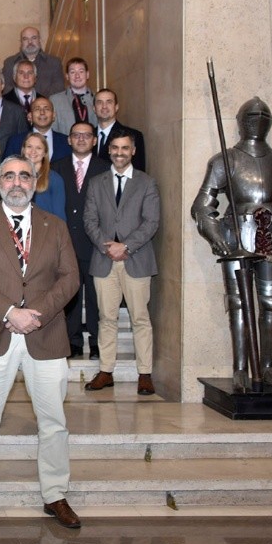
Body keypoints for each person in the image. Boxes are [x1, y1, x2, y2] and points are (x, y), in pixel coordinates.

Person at [0, 155, 82, 530]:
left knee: (54, 422)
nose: (16, 182)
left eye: (24, 176)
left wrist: (35, 313)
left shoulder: (55, 226)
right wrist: (11, 311)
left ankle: (55, 494)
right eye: (8, 176)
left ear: (34, 182)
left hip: (45, 333)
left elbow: (70, 278)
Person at [190, 97, 272, 390]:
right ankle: (240, 367)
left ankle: (267, 366)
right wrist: (217, 237)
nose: (257, 120)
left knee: (271, 301)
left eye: (262, 116)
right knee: (239, 303)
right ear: (241, 122)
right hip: (236, 237)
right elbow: (202, 206)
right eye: (252, 116)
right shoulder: (224, 160)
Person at [84, 130, 160, 396]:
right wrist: (109, 247)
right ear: (109, 150)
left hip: (136, 259)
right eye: (114, 147)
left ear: (133, 151)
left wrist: (125, 246)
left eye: (124, 148)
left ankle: (145, 374)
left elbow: (151, 222)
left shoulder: (147, 183)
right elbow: (89, 221)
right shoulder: (96, 183)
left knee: (140, 318)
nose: (119, 152)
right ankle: (106, 371)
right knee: (107, 318)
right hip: (104, 261)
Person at [54, 122, 111, 358]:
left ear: (94, 140)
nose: (80, 139)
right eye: (76, 135)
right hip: (66, 242)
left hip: (96, 243)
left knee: (96, 296)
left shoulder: (105, 169)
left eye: (86, 135)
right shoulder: (56, 168)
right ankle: (73, 340)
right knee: (71, 294)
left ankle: (97, 342)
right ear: (68, 140)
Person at [0, 26, 64, 98]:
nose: (30, 42)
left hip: (46, 106)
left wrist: (39, 103)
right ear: (21, 42)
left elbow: (58, 90)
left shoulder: (54, 63)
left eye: (34, 38)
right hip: (17, 107)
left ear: (39, 40)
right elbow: (6, 88)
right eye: (25, 39)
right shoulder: (10, 63)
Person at [93, 88, 147, 171]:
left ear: (116, 107)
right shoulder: (87, 137)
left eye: (109, 102)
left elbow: (138, 173)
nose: (104, 106)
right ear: (94, 108)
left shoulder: (134, 136)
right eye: (99, 102)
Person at [6, 97, 73, 163]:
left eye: (46, 109)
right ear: (30, 116)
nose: (42, 112)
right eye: (37, 109)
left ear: (53, 116)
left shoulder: (67, 142)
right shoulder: (15, 142)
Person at [21, 132, 66, 221]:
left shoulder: (54, 179)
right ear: (23, 150)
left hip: (45, 231)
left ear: (44, 153)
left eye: (38, 148)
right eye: (29, 147)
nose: (33, 151)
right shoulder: (15, 177)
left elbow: (59, 216)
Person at [50, 57, 98, 137]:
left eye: (81, 71)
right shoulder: (55, 101)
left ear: (87, 74)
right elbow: (52, 130)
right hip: (65, 147)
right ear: (67, 76)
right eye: (72, 72)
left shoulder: (97, 99)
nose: (77, 76)